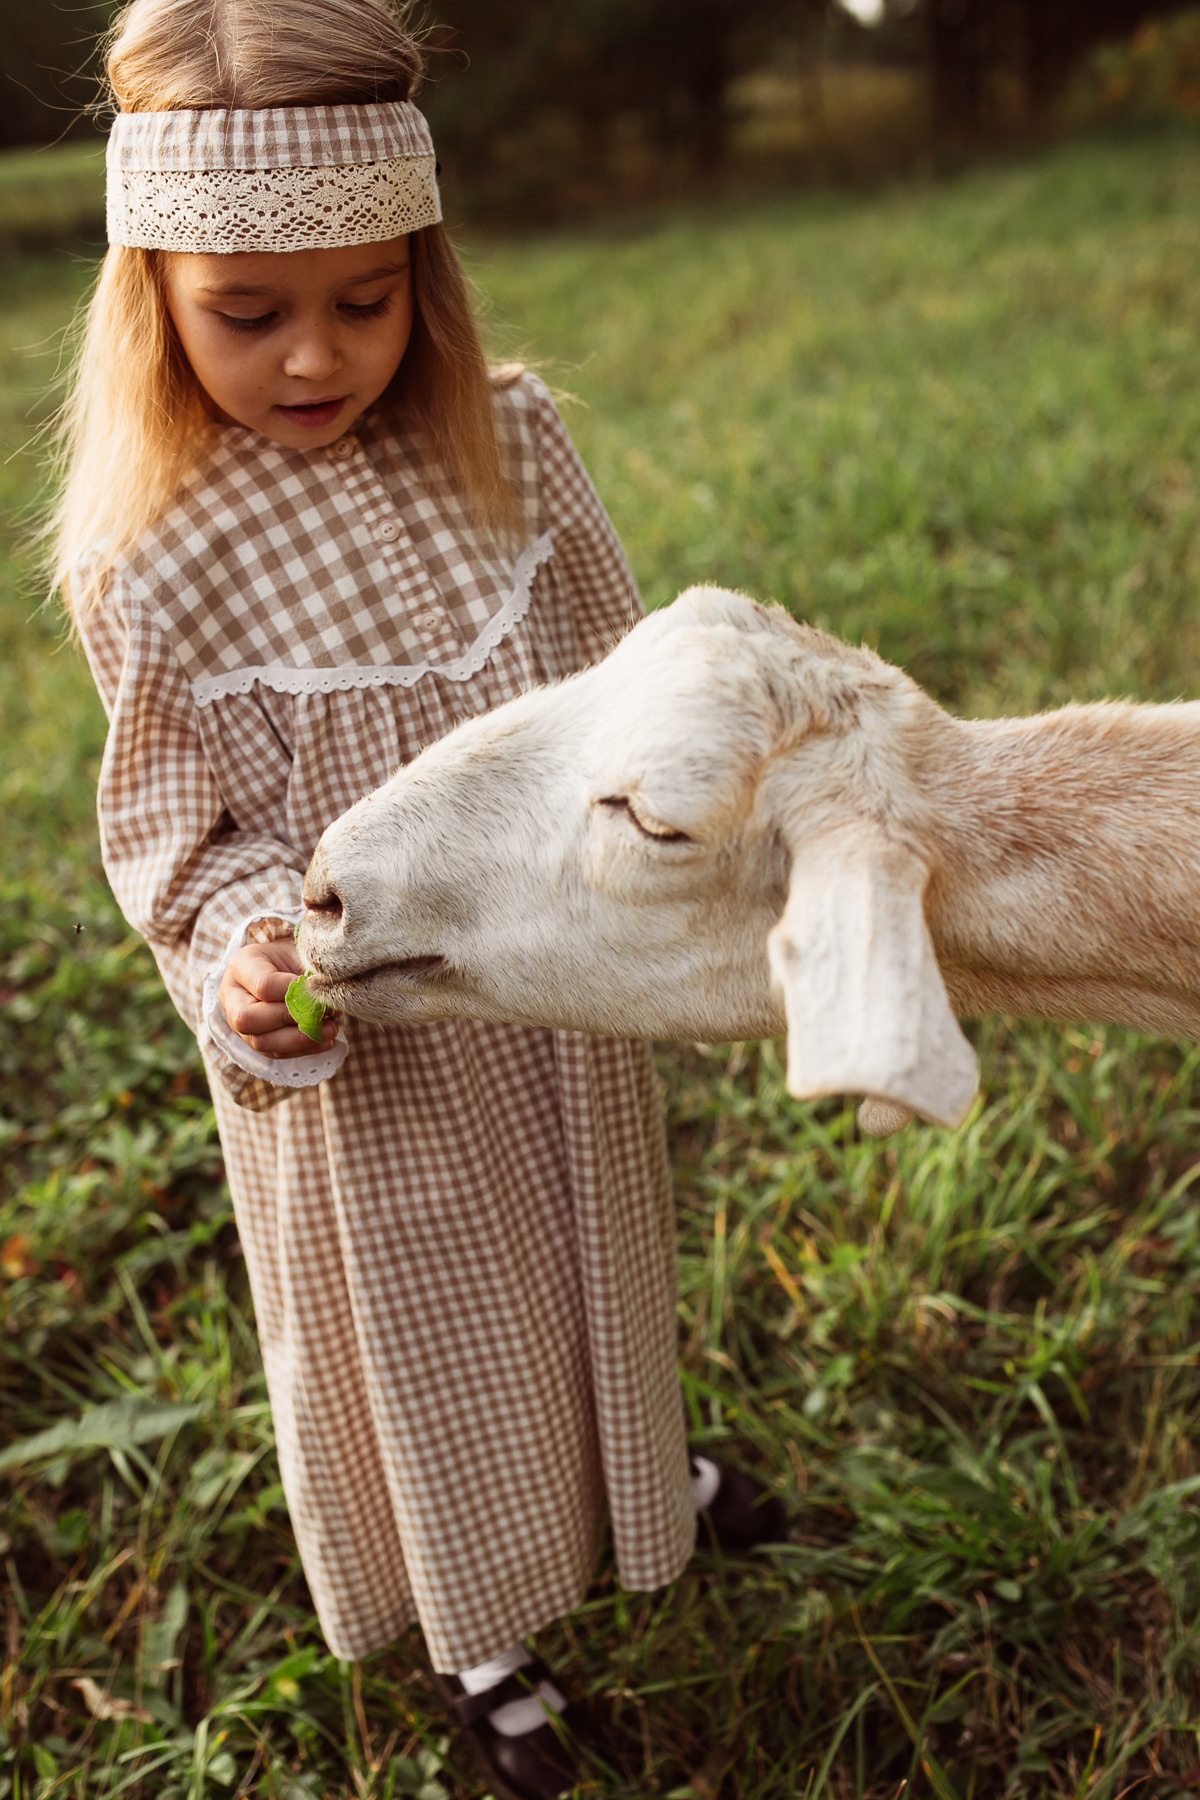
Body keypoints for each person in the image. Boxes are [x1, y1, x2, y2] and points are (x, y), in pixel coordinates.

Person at [54, 1, 786, 1793]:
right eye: (251, 315)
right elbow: (174, 832)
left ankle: (640, 1482)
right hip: (371, 1036)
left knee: (592, 1256)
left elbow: (622, 677)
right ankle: (480, 1637)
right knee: (437, 1316)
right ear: (155, 293)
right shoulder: (152, 559)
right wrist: (244, 954)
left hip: (553, 985)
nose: (317, 357)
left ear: (425, 278)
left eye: (364, 301)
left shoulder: (510, 444)